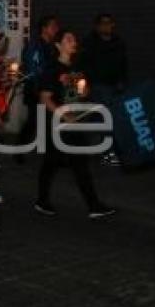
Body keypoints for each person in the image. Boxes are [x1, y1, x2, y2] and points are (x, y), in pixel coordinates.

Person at [33, 30, 115, 219]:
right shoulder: (52, 68)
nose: (73, 42)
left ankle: (91, 205)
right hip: (57, 125)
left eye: (74, 39)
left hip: (74, 124)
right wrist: (64, 115)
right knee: (54, 164)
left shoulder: (75, 68)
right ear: (58, 45)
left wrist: (84, 90)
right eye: (68, 39)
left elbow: (81, 93)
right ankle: (45, 201)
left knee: (72, 164)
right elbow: (45, 98)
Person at [79, 13, 127, 166]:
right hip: (97, 86)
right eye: (103, 23)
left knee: (99, 119)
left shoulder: (118, 42)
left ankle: (97, 151)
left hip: (113, 87)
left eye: (109, 23)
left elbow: (123, 64)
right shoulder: (90, 42)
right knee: (104, 119)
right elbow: (83, 63)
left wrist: (122, 81)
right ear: (97, 26)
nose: (106, 26)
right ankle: (106, 154)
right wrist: (87, 83)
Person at [15, 16, 60, 161]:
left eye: (56, 26)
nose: (55, 29)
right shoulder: (35, 46)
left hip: (47, 88)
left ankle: (50, 153)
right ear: (44, 29)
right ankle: (19, 151)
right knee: (34, 121)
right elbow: (32, 68)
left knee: (47, 121)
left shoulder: (52, 46)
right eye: (52, 26)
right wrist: (38, 86)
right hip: (36, 89)